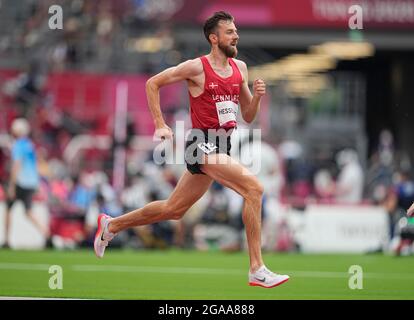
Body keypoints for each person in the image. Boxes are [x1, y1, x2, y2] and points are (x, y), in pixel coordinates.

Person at [94, 11, 289, 288]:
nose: (236, 36)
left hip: (223, 144)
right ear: (214, 38)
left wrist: (256, 97)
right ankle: (256, 268)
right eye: (230, 32)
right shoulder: (196, 67)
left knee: (174, 209)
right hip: (201, 142)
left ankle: (110, 225)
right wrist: (160, 124)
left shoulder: (240, 69)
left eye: (236, 31)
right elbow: (153, 83)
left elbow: (247, 115)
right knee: (254, 189)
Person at [3, 118, 51, 248]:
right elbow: (34, 165)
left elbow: (16, 165)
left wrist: (12, 185)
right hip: (30, 182)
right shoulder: (30, 145)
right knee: (28, 211)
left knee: (8, 209)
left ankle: (7, 241)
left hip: (21, 182)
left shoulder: (18, 145)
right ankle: (46, 233)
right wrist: (37, 184)